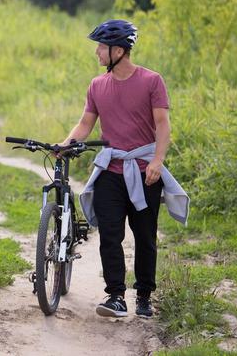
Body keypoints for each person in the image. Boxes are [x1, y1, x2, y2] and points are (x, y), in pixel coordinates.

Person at [60, 20, 189, 318]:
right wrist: (63, 145)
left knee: (145, 237)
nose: (97, 53)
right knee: (109, 234)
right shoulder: (97, 85)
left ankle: (144, 296)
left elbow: (162, 125)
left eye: (101, 47)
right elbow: (84, 124)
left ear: (118, 50)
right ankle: (116, 296)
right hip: (110, 171)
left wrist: (157, 161)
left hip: (145, 171)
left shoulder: (151, 81)